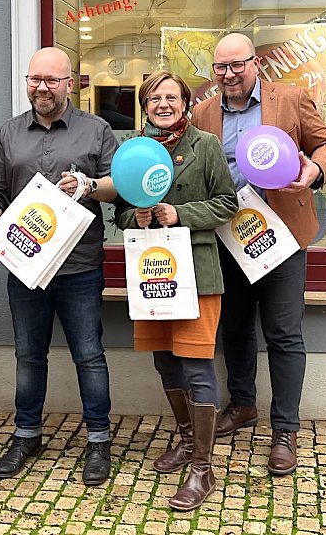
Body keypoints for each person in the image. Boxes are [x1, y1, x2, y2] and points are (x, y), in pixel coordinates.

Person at [191, 32, 326, 475]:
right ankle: (242, 405)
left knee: (283, 333)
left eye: (237, 65)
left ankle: (285, 430)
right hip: (228, 235)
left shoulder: (289, 98)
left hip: (283, 235)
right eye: (221, 67)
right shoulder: (203, 112)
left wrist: (314, 170)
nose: (229, 74)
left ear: (255, 63)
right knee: (235, 328)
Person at [0, 47, 119, 486]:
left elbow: (117, 186)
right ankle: (27, 434)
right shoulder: (10, 132)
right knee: (28, 355)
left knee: (89, 356)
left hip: (80, 267)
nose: (42, 87)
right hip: (24, 266)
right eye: (35, 79)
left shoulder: (96, 129)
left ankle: (99, 439)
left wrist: (89, 185)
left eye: (51, 80)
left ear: (69, 84)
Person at [115, 71, 237, 510]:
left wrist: (179, 213)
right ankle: (187, 441)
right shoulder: (134, 149)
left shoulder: (205, 145)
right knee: (165, 362)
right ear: (144, 106)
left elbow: (227, 203)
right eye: (154, 98)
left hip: (197, 274)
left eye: (171, 97)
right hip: (152, 275)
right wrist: (136, 218)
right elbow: (120, 212)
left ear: (185, 103)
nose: (163, 104)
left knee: (197, 366)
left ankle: (203, 468)